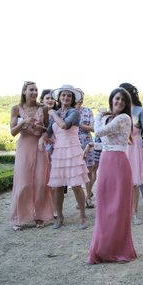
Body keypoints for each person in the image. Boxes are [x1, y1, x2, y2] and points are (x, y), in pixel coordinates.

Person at [87, 88, 137, 264]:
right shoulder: (110, 118)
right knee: (104, 206)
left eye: (123, 100)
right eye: (117, 98)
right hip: (106, 162)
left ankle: (119, 250)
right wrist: (93, 146)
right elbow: (108, 144)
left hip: (118, 164)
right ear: (111, 99)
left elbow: (98, 132)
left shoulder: (124, 118)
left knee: (117, 207)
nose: (120, 102)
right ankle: (102, 249)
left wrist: (99, 115)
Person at [41, 84, 89, 229]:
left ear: (72, 98)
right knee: (57, 186)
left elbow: (64, 126)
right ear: (59, 97)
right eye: (63, 95)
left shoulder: (74, 112)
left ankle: (82, 215)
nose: (66, 97)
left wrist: (52, 113)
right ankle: (59, 216)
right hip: (58, 152)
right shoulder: (55, 113)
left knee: (75, 185)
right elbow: (48, 133)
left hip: (72, 150)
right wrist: (40, 139)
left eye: (69, 95)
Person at [9, 81, 53, 230]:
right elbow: (13, 132)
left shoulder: (43, 108)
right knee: (24, 183)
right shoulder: (16, 108)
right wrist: (24, 122)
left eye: (36, 90)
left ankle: (39, 216)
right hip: (24, 146)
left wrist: (43, 134)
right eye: (31, 90)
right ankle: (18, 218)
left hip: (40, 146)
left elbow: (48, 129)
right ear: (24, 92)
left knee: (41, 182)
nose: (34, 92)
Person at [119, 83, 143, 224]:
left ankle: (134, 213)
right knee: (121, 182)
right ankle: (122, 211)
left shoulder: (141, 111)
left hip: (135, 148)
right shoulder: (117, 110)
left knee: (134, 183)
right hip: (120, 148)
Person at [75, 90, 96, 209]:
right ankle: (79, 199)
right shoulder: (69, 111)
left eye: (82, 95)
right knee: (76, 171)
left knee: (89, 171)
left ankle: (88, 197)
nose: (80, 98)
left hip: (87, 142)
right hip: (73, 144)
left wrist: (79, 125)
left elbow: (93, 128)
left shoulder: (88, 110)